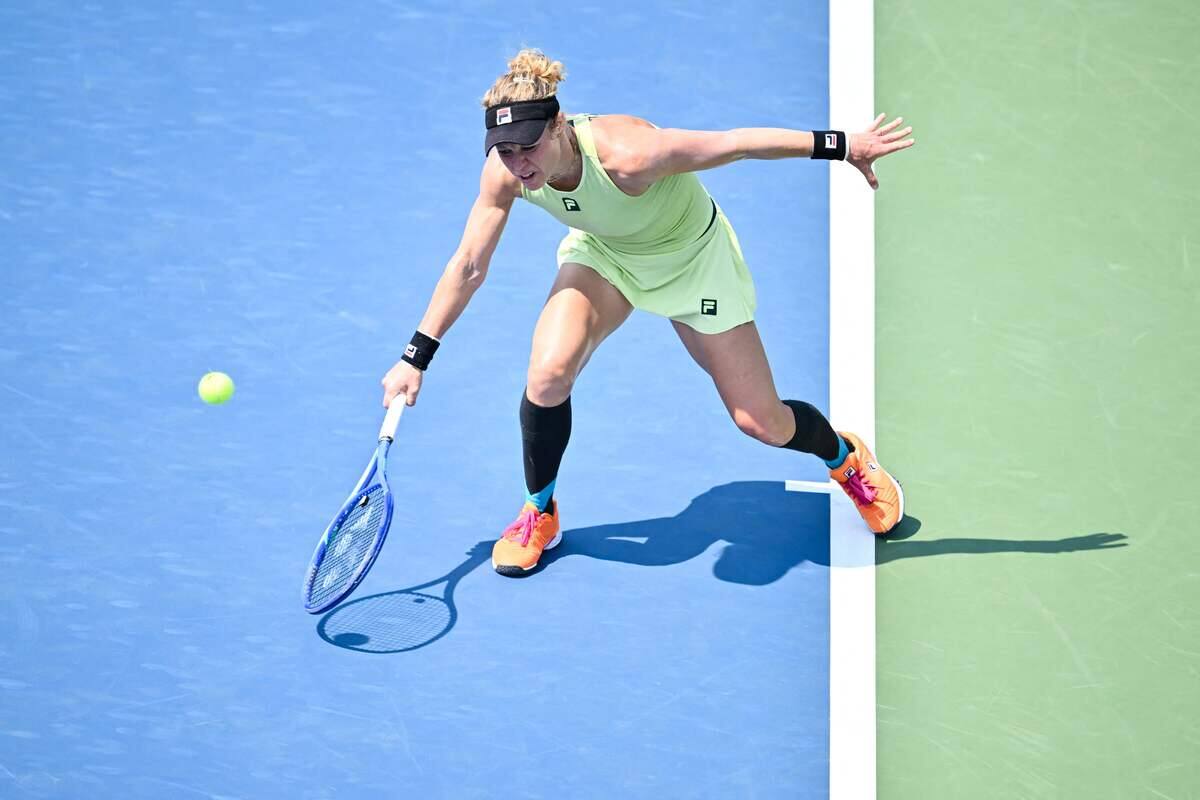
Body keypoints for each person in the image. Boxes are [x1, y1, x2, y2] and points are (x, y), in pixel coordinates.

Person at [381, 49, 915, 576]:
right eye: (505, 150)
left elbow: (736, 145)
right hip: (607, 257)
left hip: (693, 263)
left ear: (559, 124)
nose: (519, 163)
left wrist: (843, 145)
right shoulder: (505, 174)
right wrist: (415, 357)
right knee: (547, 375)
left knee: (762, 422)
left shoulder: (630, 153)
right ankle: (539, 511)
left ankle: (844, 457)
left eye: (528, 147)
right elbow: (469, 264)